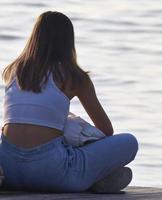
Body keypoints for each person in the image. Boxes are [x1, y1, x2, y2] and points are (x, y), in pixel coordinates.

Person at [0, 11, 138, 193]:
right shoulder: (74, 77)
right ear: (68, 42)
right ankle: (96, 179)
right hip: (52, 174)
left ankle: (95, 177)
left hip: (9, 170)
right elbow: (106, 130)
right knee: (129, 142)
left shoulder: (14, 71)